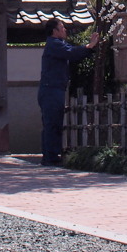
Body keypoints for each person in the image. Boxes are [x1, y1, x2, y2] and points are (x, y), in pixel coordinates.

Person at [37, 18, 99, 167]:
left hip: (53, 89)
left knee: (54, 123)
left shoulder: (57, 45)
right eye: (62, 27)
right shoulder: (54, 45)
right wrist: (89, 46)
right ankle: (49, 157)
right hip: (51, 90)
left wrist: (88, 48)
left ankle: (51, 156)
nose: (65, 30)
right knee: (52, 123)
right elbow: (71, 53)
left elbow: (71, 51)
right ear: (54, 31)